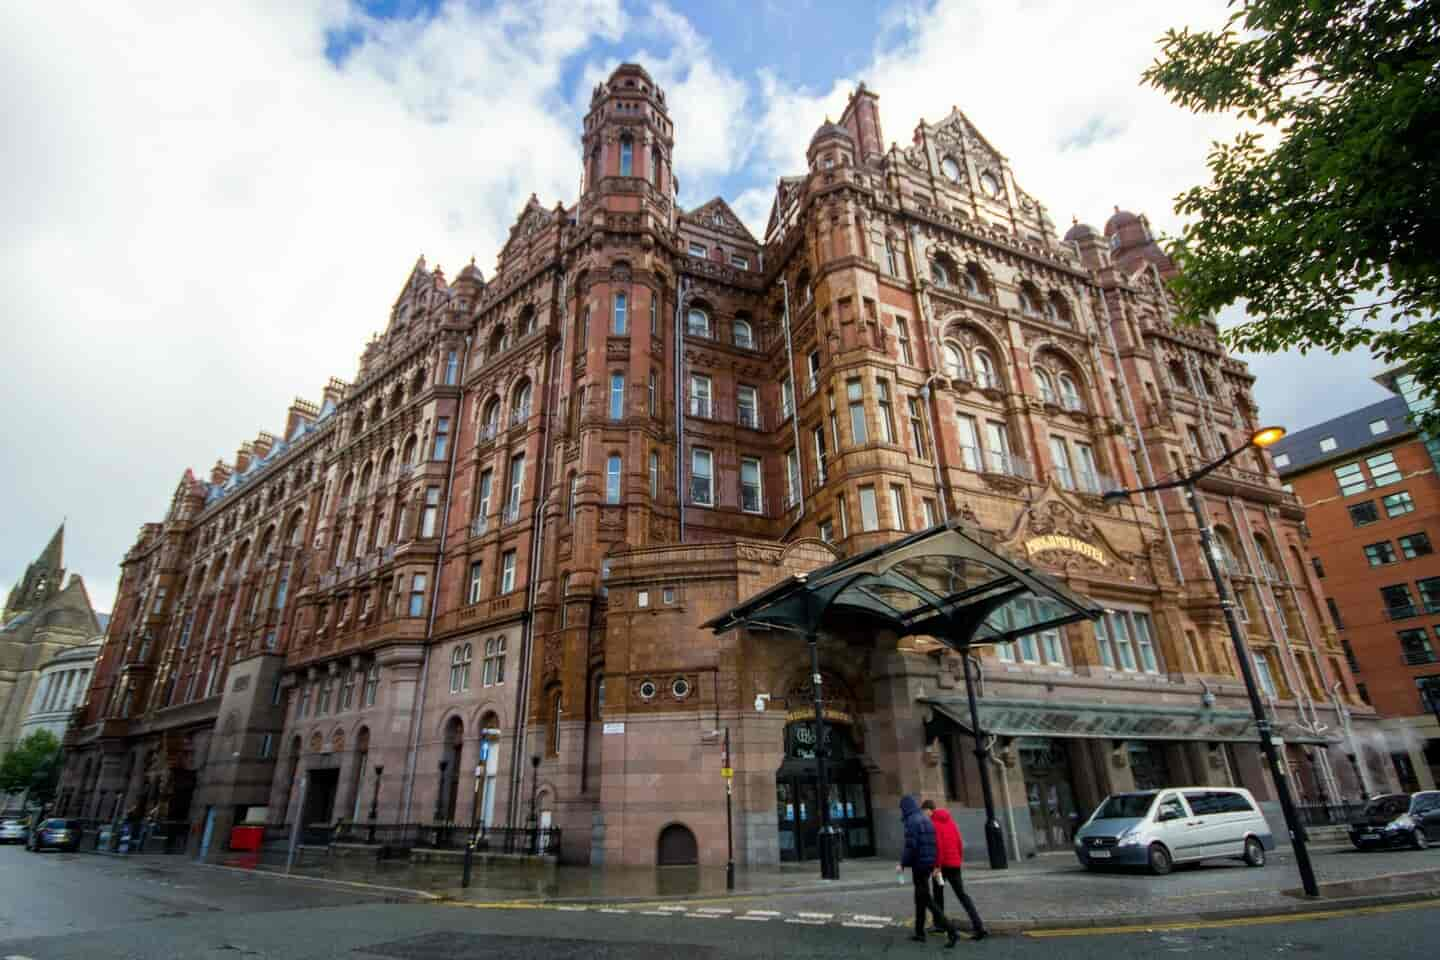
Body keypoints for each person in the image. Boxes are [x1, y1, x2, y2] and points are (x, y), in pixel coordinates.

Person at [898, 794, 960, 947]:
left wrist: (903, 863)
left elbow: (911, 846)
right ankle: (919, 932)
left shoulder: (912, 822)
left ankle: (951, 930)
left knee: (925, 898)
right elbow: (934, 843)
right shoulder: (925, 819)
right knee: (920, 897)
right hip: (928, 863)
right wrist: (935, 864)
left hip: (919, 864)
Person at [923, 799, 987, 941]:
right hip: (955, 864)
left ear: (928, 810)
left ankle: (939, 924)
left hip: (942, 866)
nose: (924, 815)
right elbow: (959, 842)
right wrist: (958, 859)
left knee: (938, 894)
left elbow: (937, 847)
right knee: (962, 895)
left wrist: (936, 867)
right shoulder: (951, 822)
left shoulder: (933, 824)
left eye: (924, 812)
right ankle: (979, 927)